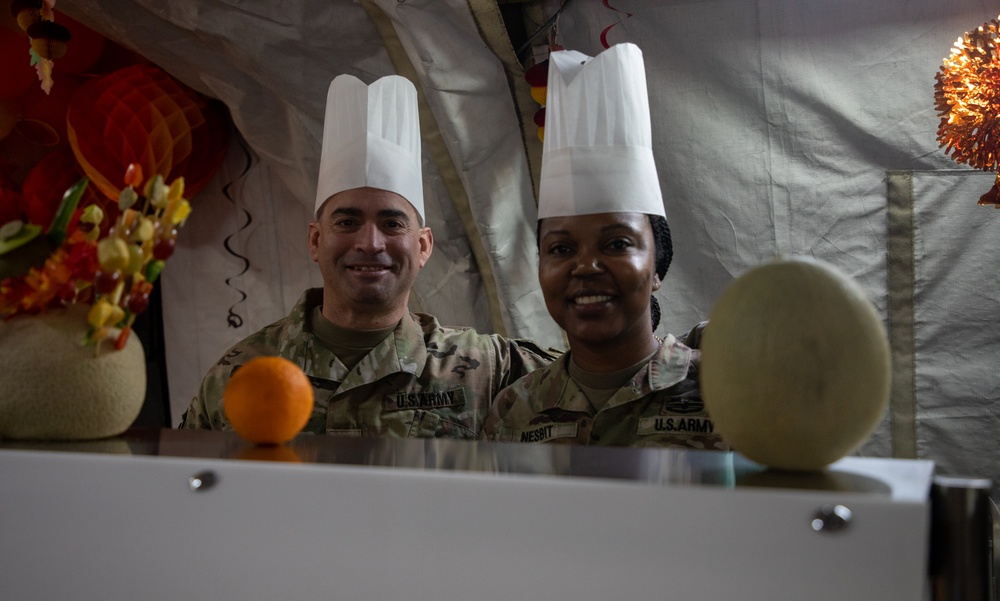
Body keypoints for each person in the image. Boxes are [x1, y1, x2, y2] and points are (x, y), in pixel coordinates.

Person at [181, 74, 555, 439]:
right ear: (315, 240)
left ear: (423, 246)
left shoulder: (489, 369)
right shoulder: (241, 374)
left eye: (392, 223)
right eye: (347, 221)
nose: (371, 243)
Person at [482, 43, 724, 450]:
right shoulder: (513, 409)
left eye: (616, 243)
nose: (587, 266)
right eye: (561, 249)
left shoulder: (727, 392)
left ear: (658, 267)